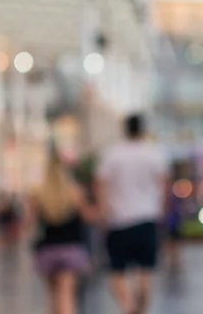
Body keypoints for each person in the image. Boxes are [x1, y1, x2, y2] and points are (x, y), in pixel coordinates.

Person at [95, 114, 170, 314]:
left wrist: (103, 213)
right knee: (146, 272)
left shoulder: (112, 154)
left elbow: (102, 186)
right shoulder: (154, 153)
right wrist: (161, 213)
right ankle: (142, 310)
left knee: (117, 272)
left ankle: (128, 307)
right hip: (147, 219)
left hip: (118, 221)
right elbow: (163, 186)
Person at [29, 154, 97, 314]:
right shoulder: (75, 192)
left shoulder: (38, 194)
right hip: (71, 249)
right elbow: (89, 217)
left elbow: (29, 223)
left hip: (47, 250)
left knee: (54, 297)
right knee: (67, 296)